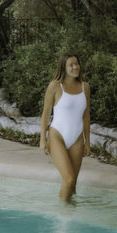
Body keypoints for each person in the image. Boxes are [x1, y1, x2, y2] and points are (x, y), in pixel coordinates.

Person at [39, 52, 91, 200]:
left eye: (76, 64)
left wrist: (87, 140)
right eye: (71, 65)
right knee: (68, 179)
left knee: (72, 184)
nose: (75, 67)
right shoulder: (55, 86)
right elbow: (45, 114)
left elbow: (86, 115)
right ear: (63, 67)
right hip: (57, 136)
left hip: (77, 138)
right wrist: (43, 139)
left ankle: (70, 216)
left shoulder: (85, 87)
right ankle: (62, 215)